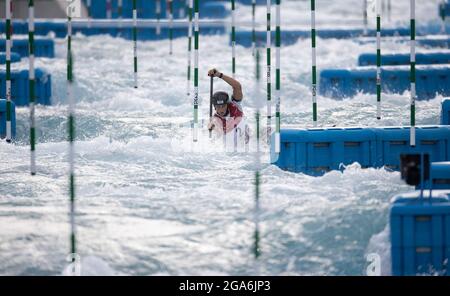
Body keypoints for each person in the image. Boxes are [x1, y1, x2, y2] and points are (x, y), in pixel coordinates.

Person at [207, 68, 244, 134]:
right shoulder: (215, 119)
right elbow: (212, 125)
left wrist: (220, 75)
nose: (221, 109)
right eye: (218, 107)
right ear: (214, 107)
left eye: (223, 106)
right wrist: (210, 127)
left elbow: (237, 86)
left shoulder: (235, 105)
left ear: (227, 104)